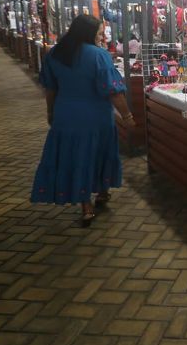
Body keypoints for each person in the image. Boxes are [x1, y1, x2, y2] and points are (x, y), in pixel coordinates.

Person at [31, 15, 135, 226]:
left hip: (66, 116)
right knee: (100, 153)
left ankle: (86, 205)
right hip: (96, 117)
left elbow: (50, 89)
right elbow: (113, 91)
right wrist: (127, 116)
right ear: (88, 33)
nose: (101, 37)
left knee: (76, 158)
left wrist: (50, 113)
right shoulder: (99, 56)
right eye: (98, 33)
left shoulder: (54, 54)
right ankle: (102, 193)